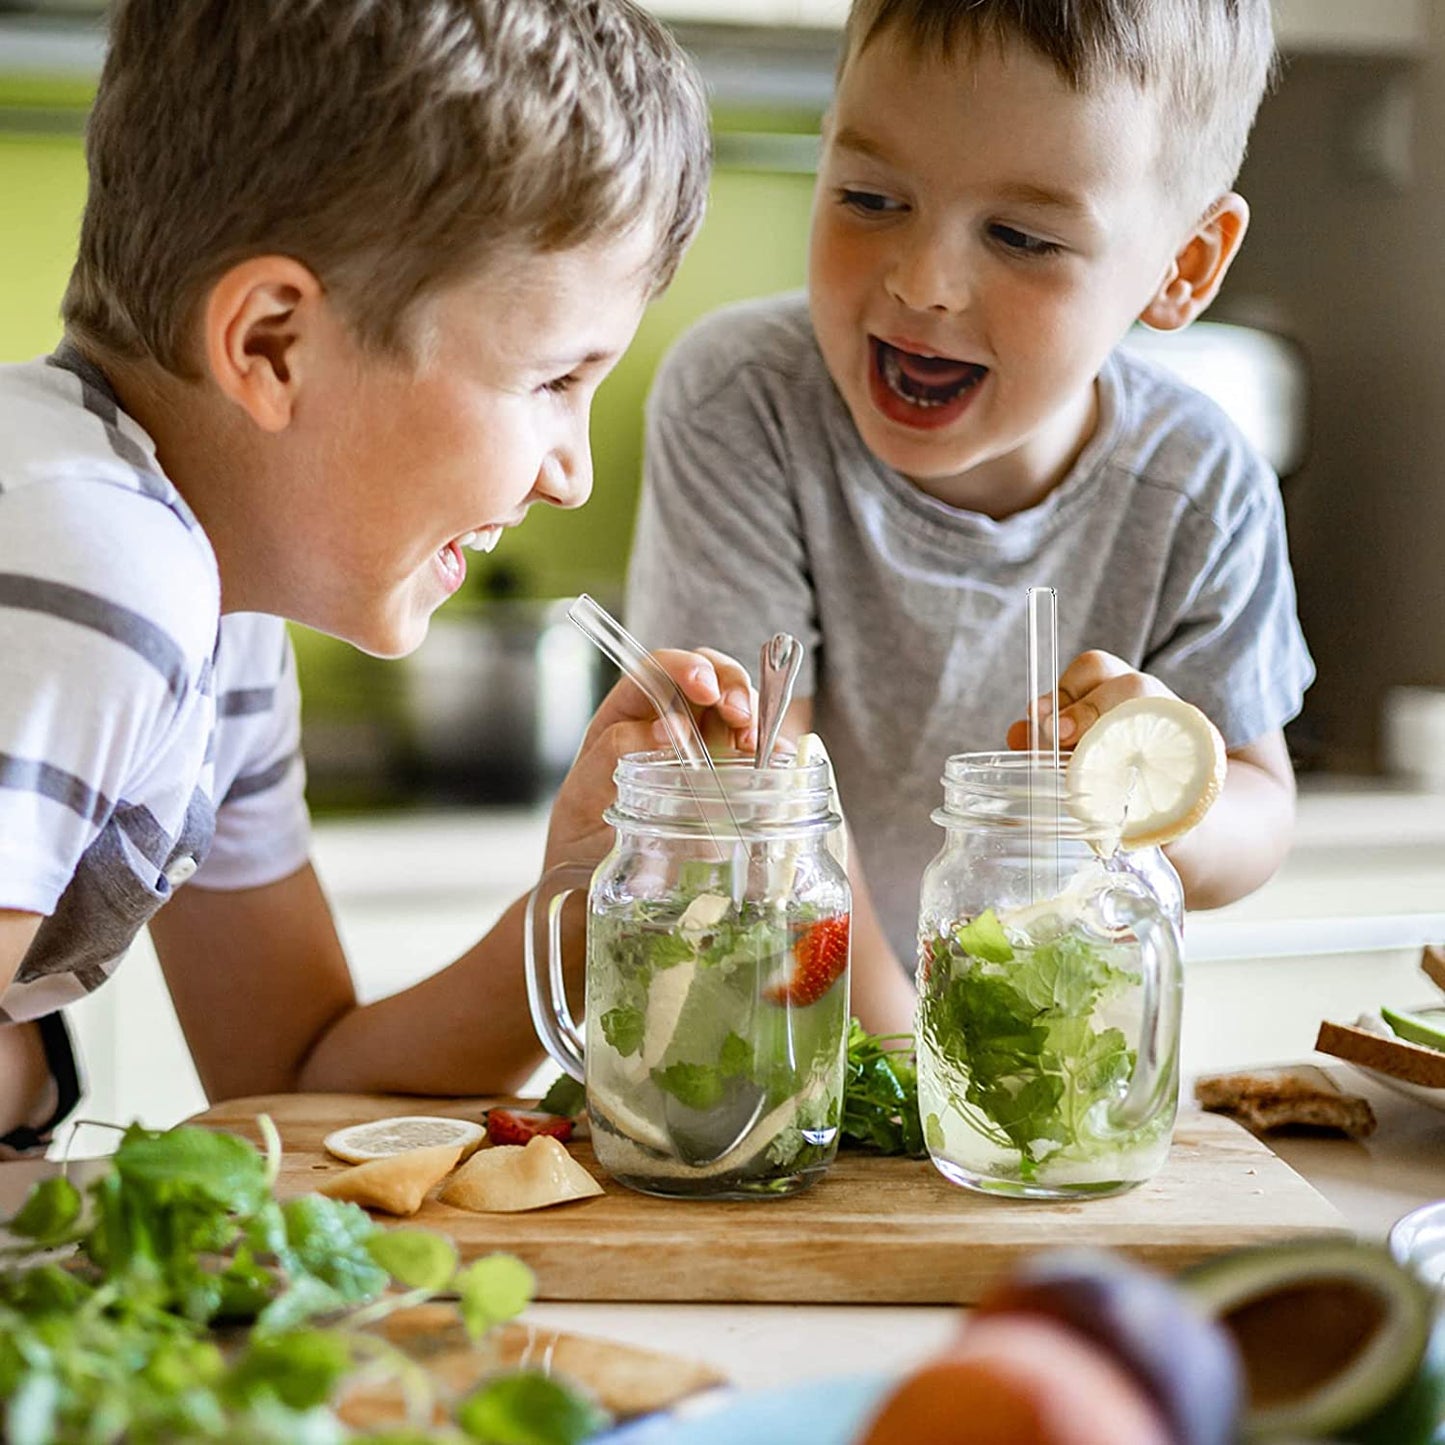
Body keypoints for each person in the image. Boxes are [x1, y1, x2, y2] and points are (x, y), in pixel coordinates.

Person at [0, 0, 750, 1154]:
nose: (573, 477)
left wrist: (591, 892)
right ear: (269, 346)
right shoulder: (94, 562)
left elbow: (296, 1085)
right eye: (551, 379)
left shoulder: (216, 614)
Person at [627, 0, 1312, 1034]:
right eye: (867, 197)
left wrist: (1156, 786)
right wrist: (910, 1062)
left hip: (1045, 1055)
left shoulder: (1197, 483)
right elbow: (758, 791)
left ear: (1183, 266)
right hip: (770, 1039)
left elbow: (1259, 812)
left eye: (1021, 237)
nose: (922, 281)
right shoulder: (742, 400)